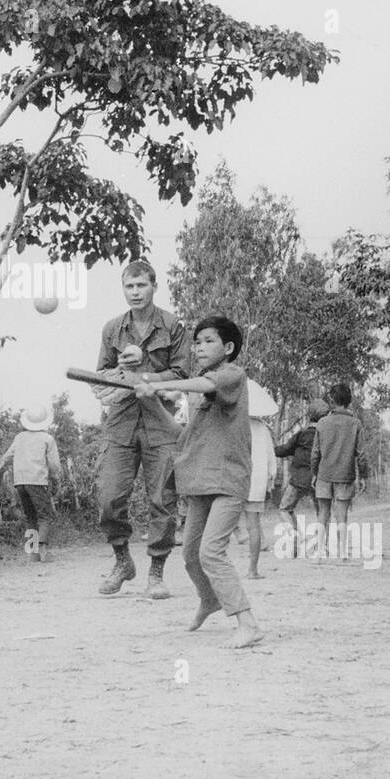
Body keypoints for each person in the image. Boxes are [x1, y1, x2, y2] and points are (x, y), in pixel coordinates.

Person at [136, 316, 263, 648]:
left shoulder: (232, 375)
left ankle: (247, 623)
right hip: (199, 481)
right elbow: (182, 435)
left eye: (208, 340)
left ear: (228, 347)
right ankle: (209, 599)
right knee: (191, 555)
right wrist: (152, 402)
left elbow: (205, 384)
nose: (199, 347)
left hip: (227, 479)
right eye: (197, 342)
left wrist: (162, 384)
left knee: (211, 552)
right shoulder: (197, 395)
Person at [94, 260, 189, 598]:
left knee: (162, 498)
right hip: (120, 420)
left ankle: (157, 571)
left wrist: (145, 374)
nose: (135, 293)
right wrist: (115, 376)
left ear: (154, 286)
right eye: (129, 287)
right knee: (108, 496)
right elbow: (101, 375)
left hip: (159, 421)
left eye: (141, 286)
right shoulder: (112, 329)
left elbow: (182, 376)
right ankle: (122, 560)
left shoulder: (173, 326)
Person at [0, 405, 62, 563]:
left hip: (20, 482)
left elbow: (7, 457)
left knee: (30, 516)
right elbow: (53, 465)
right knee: (45, 516)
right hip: (37, 480)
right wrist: (56, 480)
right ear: (45, 423)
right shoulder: (47, 439)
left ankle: (33, 554)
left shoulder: (19, 438)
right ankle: (44, 552)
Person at [310, 384, 366, 562]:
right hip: (345, 475)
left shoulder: (322, 423)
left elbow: (315, 454)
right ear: (349, 401)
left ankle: (319, 552)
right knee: (342, 514)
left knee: (323, 513)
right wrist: (363, 476)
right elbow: (361, 454)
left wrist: (314, 473)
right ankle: (342, 552)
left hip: (324, 475)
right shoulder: (355, 424)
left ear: (332, 401)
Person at [274, 399, 329, 558]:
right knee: (323, 512)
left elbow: (284, 450)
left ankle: (294, 538)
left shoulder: (302, 435)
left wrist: (271, 449)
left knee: (285, 509)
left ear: (310, 415)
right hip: (320, 480)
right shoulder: (326, 436)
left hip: (298, 480)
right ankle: (322, 547)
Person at [239, 379, 279, 579]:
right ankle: (252, 570)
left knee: (221, 521)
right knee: (253, 525)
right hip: (256, 483)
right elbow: (272, 461)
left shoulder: (232, 424)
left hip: (233, 480)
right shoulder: (262, 428)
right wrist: (271, 480)